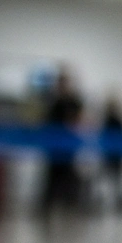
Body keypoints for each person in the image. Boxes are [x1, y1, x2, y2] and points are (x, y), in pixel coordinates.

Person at [40, 69, 84, 213]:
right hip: (53, 149)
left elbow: (79, 122)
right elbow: (46, 123)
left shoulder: (74, 102)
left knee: (69, 178)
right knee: (51, 179)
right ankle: (47, 208)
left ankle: (69, 207)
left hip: (69, 148)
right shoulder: (52, 102)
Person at [99, 93, 122, 212]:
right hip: (109, 155)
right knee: (108, 180)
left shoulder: (119, 121)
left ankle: (121, 203)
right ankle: (108, 203)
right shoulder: (106, 120)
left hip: (118, 155)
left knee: (119, 180)